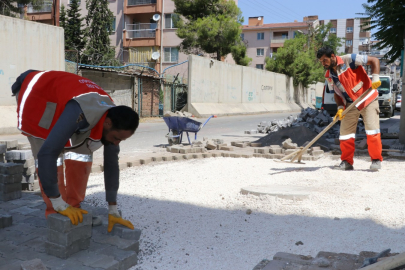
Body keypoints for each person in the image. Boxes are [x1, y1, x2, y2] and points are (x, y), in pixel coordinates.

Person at [12, 70, 139, 231]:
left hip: (66, 101)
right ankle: (56, 212)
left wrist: (112, 209)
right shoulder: (80, 112)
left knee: (81, 156)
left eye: (120, 140)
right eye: (116, 138)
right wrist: (57, 201)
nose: (116, 143)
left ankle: (74, 207)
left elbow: (111, 165)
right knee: (51, 153)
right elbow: (46, 155)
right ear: (107, 124)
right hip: (37, 95)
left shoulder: (113, 118)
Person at [316, 47, 383, 171]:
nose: (323, 63)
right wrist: (340, 108)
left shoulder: (350, 59)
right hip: (350, 104)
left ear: (332, 56)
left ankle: (376, 160)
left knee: (372, 131)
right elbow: (336, 93)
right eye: (321, 62)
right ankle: (347, 162)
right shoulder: (329, 75)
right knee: (345, 134)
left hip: (367, 98)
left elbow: (374, 60)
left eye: (325, 60)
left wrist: (375, 78)